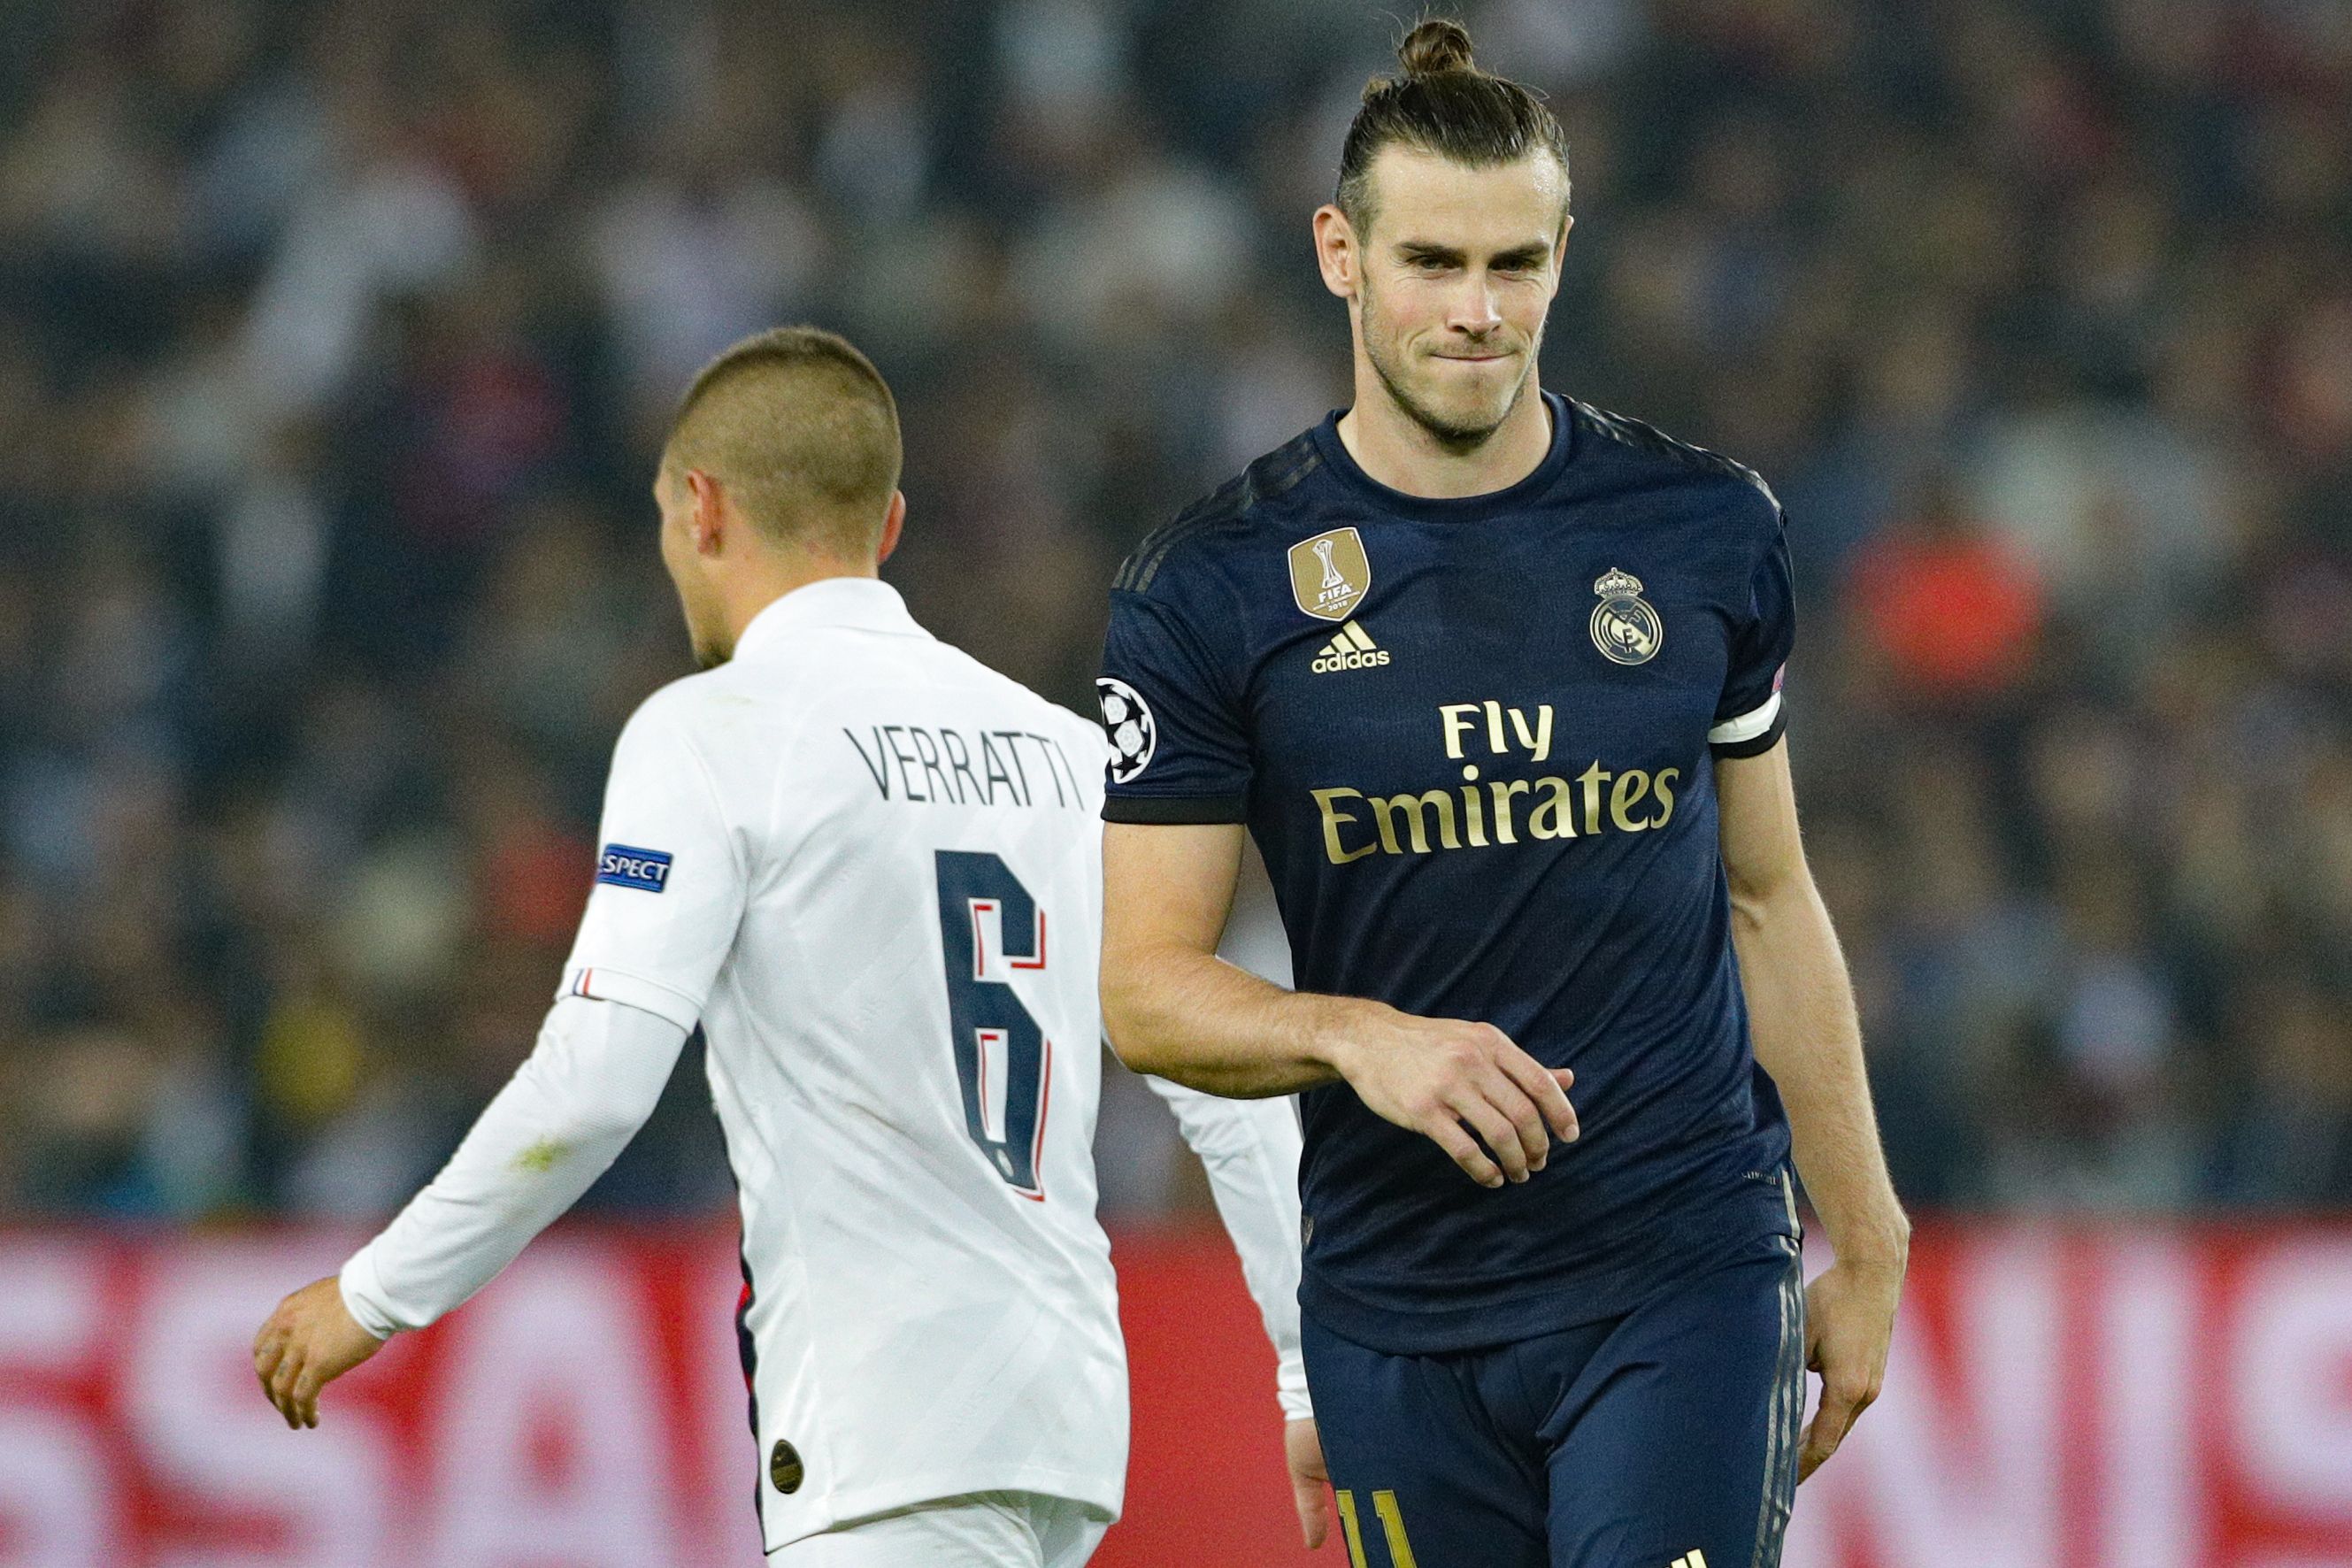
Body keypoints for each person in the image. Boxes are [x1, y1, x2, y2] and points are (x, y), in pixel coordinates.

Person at [251, 326, 1313, 1567]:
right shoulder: (1068, 759)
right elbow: (1228, 1091)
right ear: (891, 524)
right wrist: (1303, 1374)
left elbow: (592, 1085)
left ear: (698, 509)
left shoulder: (712, 731)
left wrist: (376, 1291)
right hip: (1063, 1424)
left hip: (879, 1420)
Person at [1095, 20, 1909, 1568]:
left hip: (1679, 1260)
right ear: (1339, 253)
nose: (1476, 314)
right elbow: (1141, 989)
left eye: (1514, 266)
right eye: (1431, 263)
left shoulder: (1700, 532)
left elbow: (1764, 891)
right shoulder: (1211, 587)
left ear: (1561, 255)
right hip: (1399, 1305)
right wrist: (1359, 1038)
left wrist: (1862, 1231)